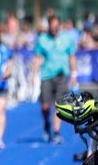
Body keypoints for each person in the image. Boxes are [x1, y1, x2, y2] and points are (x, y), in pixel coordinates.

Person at [31, 15, 78, 144]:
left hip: (62, 75)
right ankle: (46, 123)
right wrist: (33, 75)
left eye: (56, 27)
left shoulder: (67, 39)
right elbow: (38, 57)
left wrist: (74, 73)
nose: (54, 29)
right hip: (47, 75)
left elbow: (72, 56)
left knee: (59, 106)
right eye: (52, 27)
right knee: (45, 106)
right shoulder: (42, 39)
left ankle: (56, 132)